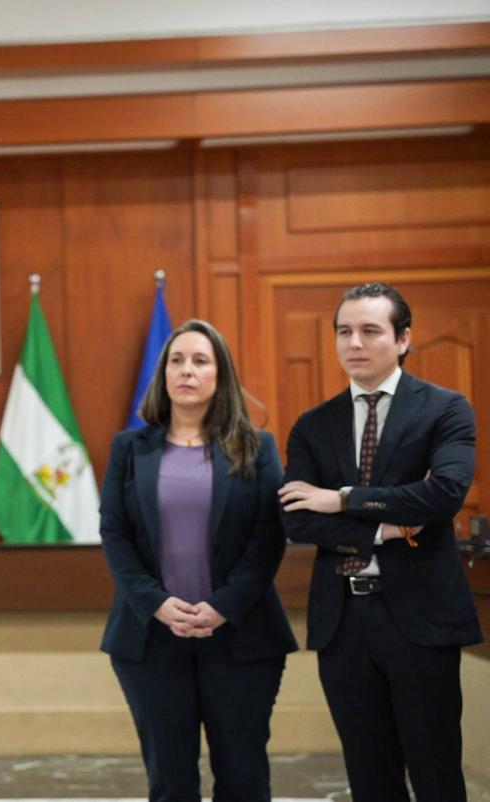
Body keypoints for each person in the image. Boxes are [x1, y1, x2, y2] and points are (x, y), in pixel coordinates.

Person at [278, 282, 481, 802]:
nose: (354, 343)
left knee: (436, 776)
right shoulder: (313, 425)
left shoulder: (444, 409)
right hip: (343, 623)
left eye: (370, 330)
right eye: (344, 331)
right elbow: (297, 520)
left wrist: (342, 499)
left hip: (422, 620)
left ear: (403, 338)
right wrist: (385, 527)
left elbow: (443, 495)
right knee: (370, 780)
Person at [99, 319, 296, 802]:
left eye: (200, 361)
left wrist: (224, 605)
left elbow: (267, 538)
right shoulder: (129, 449)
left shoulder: (257, 448)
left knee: (244, 779)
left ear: (219, 375)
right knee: (170, 783)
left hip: (241, 638)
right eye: (177, 360)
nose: (187, 370)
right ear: (163, 374)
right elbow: (115, 534)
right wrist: (157, 603)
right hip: (151, 640)